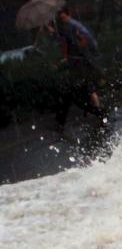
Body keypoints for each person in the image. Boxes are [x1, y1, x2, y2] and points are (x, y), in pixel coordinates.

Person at [51, 9, 107, 148]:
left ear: (65, 15)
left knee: (78, 92)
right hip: (81, 65)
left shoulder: (72, 27)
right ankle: (99, 113)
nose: (61, 19)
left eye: (61, 16)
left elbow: (78, 44)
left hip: (79, 66)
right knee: (87, 90)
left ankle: (99, 113)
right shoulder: (72, 26)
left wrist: (68, 56)